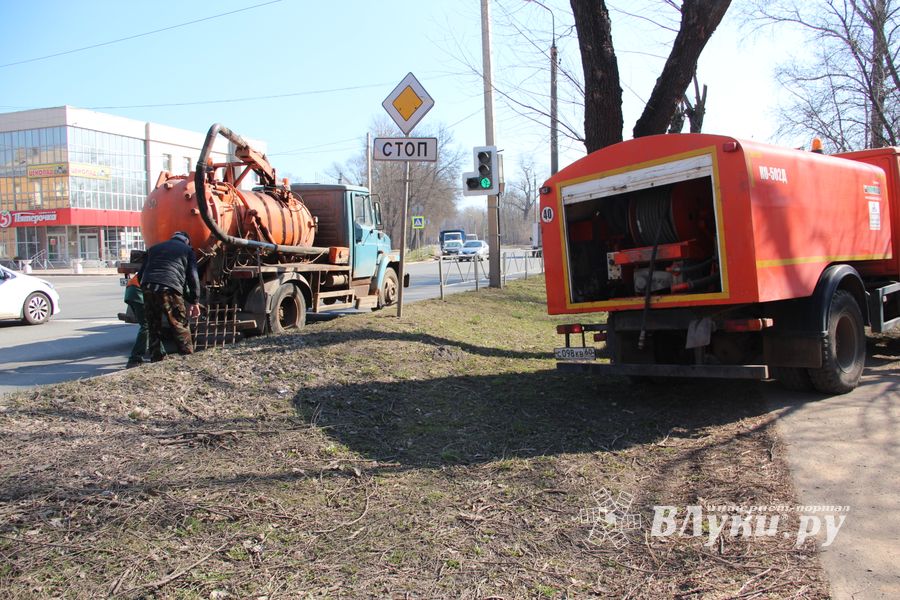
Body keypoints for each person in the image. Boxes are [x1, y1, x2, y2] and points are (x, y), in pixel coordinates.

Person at [137, 231, 201, 362]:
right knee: (178, 322)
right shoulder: (187, 250)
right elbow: (193, 277)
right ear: (187, 241)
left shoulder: (154, 248)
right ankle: (188, 357)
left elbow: (140, 274)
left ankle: (156, 358)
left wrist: (147, 287)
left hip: (147, 285)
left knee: (153, 324)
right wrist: (195, 300)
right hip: (169, 287)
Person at [124, 273, 148, 368]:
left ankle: (161, 354)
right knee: (147, 325)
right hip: (138, 292)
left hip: (132, 290)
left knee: (152, 324)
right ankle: (135, 359)